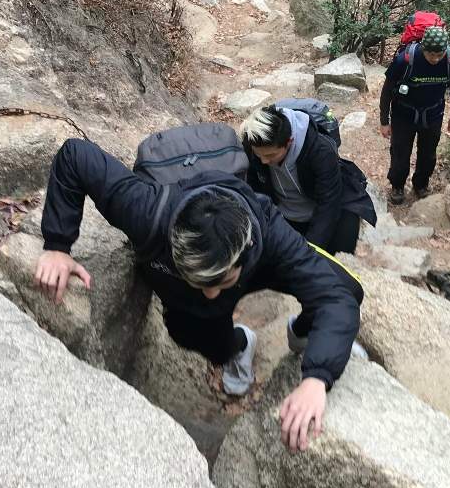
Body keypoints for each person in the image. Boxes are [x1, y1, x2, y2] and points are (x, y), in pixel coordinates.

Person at [33, 137, 365, 452]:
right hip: (180, 287)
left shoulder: (270, 233)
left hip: (258, 266)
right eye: (202, 281)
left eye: (219, 281)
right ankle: (240, 344)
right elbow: (75, 156)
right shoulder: (146, 212)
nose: (210, 293)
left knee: (348, 288)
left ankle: (304, 332)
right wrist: (58, 245)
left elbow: (334, 296)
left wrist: (317, 378)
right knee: (201, 335)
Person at [239, 104, 377, 255]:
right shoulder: (253, 143)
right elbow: (255, 192)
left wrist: (309, 252)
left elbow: (328, 205)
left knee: (335, 255)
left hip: (326, 207)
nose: (264, 161)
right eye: (259, 155)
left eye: (271, 155)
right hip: (286, 213)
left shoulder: (320, 151)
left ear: (289, 142)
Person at [378, 25, 450, 205]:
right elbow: (387, 90)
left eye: (439, 54)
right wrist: (384, 120)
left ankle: (421, 184)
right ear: (423, 48)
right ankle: (397, 185)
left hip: (433, 114)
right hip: (403, 113)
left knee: (428, 154)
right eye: (430, 54)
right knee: (400, 152)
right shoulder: (406, 60)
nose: (435, 59)